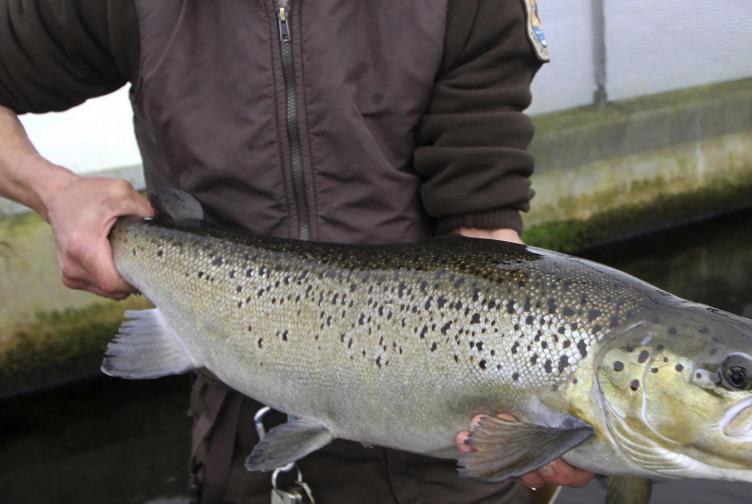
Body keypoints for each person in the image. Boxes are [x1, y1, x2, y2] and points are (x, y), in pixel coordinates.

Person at [0, 0, 593, 502]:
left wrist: (533, 419)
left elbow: (484, 236)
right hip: (245, 440)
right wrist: (54, 193)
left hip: (450, 466)